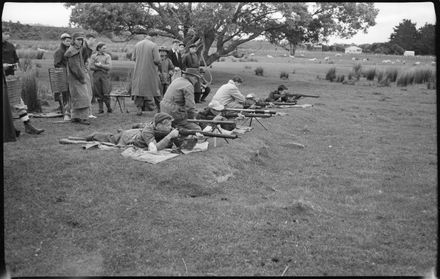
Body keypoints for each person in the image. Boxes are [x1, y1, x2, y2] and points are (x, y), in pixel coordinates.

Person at [2, 28, 44, 135]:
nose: (8, 36)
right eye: (5, 33)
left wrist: (16, 65)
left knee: (18, 102)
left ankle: (28, 126)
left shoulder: (10, 46)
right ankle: (10, 128)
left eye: (8, 33)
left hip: (10, 78)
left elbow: (15, 58)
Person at [74, 112, 180, 151]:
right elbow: (153, 149)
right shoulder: (149, 130)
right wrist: (169, 136)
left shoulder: (162, 130)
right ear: (159, 125)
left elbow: (179, 144)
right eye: (168, 125)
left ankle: (122, 130)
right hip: (128, 138)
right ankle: (88, 137)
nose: (171, 127)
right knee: (110, 138)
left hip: (136, 132)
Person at [64, 32, 92, 125]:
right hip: (75, 78)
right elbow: (75, 67)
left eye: (81, 40)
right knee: (83, 97)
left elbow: (80, 63)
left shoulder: (77, 49)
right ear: (73, 40)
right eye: (78, 40)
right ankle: (83, 118)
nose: (80, 41)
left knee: (77, 97)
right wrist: (82, 77)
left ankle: (75, 117)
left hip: (77, 77)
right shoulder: (72, 51)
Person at [131, 32, 161, 115]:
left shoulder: (137, 44)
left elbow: (133, 58)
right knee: (155, 89)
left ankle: (139, 109)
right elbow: (157, 60)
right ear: (154, 36)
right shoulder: (153, 45)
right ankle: (159, 108)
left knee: (139, 90)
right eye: (156, 37)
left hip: (138, 71)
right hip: (150, 71)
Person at [89, 42, 112, 114]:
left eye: (105, 48)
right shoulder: (93, 56)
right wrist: (101, 68)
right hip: (96, 76)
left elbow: (109, 67)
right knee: (98, 93)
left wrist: (100, 65)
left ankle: (109, 108)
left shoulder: (107, 56)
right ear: (99, 48)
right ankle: (100, 109)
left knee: (106, 92)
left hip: (105, 76)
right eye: (104, 48)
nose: (105, 49)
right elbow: (91, 67)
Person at [53, 32, 72, 120]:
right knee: (64, 93)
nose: (69, 42)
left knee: (69, 92)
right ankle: (65, 111)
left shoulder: (68, 50)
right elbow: (56, 64)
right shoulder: (59, 51)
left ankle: (69, 110)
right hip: (62, 75)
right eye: (67, 41)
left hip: (69, 75)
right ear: (63, 41)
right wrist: (65, 69)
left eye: (69, 41)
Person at [82, 33, 97, 119]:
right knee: (87, 91)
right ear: (89, 39)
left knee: (89, 90)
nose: (95, 41)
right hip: (83, 71)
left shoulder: (89, 49)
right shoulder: (84, 48)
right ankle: (87, 112)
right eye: (94, 39)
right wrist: (85, 68)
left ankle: (89, 111)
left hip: (86, 71)